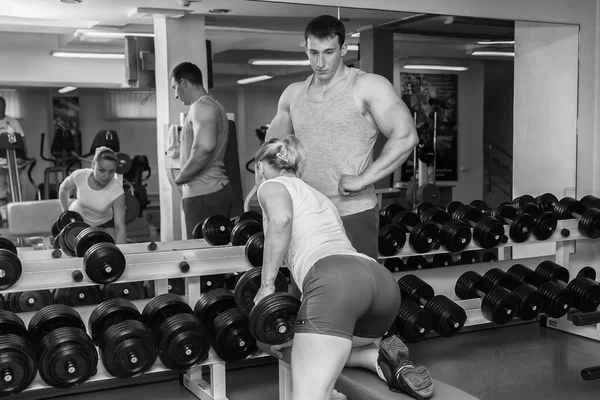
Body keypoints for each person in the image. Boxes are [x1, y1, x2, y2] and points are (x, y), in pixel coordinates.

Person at [252, 136, 433, 400]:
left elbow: (281, 220)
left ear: (260, 167)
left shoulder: (272, 185)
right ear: (298, 168)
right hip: (380, 284)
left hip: (336, 283)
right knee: (335, 346)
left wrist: (266, 286)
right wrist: (303, 335)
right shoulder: (321, 198)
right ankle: (379, 359)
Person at [266, 15, 419, 260]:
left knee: (355, 291)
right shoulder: (293, 94)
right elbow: (270, 152)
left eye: (328, 52)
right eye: (313, 52)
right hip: (305, 213)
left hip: (352, 212)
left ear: (344, 49)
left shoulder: (367, 86)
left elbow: (406, 136)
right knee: (306, 290)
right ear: (305, 48)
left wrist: (363, 180)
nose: (320, 62)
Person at [170, 61, 232, 238]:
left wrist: (182, 177)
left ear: (184, 83)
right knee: (214, 251)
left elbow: (205, 147)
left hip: (204, 192)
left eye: (175, 87)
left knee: (200, 255)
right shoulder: (215, 107)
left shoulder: (200, 107)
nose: (175, 95)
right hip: (211, 190)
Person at [58, 146, 127, 244]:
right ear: (93, 165)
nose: (106, 176)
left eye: (111, 171)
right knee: (73, 248)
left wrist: (121, 253)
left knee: (112, 244)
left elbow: (120, 226)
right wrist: (65, 212)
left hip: (103, 223)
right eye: (102, 170)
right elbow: (64, 188)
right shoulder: (80, 175)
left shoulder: (117, 190)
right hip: (78, 220)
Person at [0, 96, 26, 203]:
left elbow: (22, 139)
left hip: (13, 162)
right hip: (0, 163)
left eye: (4, 105)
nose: (2, 108)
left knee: (15, 188)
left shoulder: (13, 122)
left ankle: (14, 210)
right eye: (0, 106)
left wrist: (22, 157)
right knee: (0, 189)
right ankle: (3, 216)